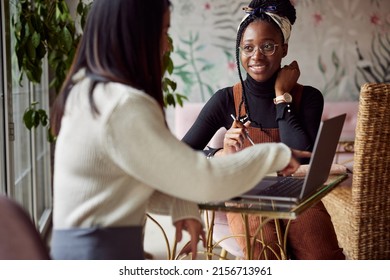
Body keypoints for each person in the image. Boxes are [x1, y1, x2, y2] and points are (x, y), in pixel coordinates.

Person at [49, 0, 306, 260]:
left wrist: (181, 205)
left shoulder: (86, 93)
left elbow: (141, 179)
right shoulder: (124, 105)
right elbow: (206, 180)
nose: (167, 45)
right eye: (164, 32)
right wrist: (276, 155)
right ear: (139, 36)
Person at [182, 0, 345, 260]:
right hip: (245, 194)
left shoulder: (308, 97)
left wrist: (282, 97)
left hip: (297, 193)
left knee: (321, 253)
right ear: (240, 51)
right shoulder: (225, 99)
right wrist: (219, 154)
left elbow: (303, 155)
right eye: (248, 47)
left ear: (284, 49)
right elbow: (181, 156)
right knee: (264, 250)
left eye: (267, 46)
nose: (256, 56)